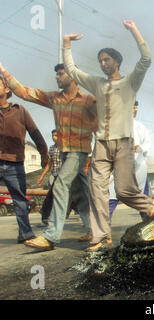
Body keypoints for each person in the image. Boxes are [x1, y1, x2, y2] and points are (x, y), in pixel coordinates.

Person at [63, 20, 154, 251]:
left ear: (117, 61)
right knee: (97, 190)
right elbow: (73, 71)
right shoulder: (97, 83)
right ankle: (101, 236)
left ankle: (147, 206)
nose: (103, 64)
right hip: (102, 145)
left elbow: (146, 59)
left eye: (107, 60)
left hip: (123, 143)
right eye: (100, 61)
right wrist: (66, 45)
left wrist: (135, 30)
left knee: (124, 191)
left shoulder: (130, 82)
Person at [0, 62, 95, 251]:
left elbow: (101, 124)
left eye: (61, 73)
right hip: (65, 152)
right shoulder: (55, 98)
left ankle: (51, 236)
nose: (57, 77)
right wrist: (3, 71)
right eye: (57, 74)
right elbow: (25, 92)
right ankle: (95, 230)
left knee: (60, 186)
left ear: (73, 77)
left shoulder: (88, 101)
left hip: (80, 151)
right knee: (80, 193)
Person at [0, 75, 48, 243]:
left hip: (14, 163)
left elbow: (35, 133)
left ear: (7, 89)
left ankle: (25, 234)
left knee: (20, 200)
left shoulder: (19, 110)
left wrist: (43, 153)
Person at [108, 100, 152, 222]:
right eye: (133, 108)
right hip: (119, 166)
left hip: (138, 165)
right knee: (112, 195)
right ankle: (103, 231)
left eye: (136, 108)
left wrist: (140, 148)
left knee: (143, 196)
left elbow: (147, 142)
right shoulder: (116, 126)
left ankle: (149, 224)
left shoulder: (140, 126)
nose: (135, 110)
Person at [36, 129, 63, 227]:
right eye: (52, 135)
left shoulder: (65, 148)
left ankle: (84, 214)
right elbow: (49, 164)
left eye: (55, 135)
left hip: (63, 176)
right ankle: (45, 218)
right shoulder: (51, 148)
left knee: (69, 197)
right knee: (50, 197)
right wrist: (41, 177)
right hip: (55, 175)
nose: (53, 137)